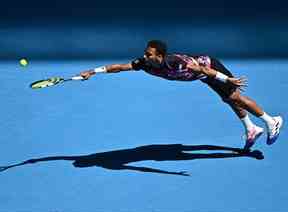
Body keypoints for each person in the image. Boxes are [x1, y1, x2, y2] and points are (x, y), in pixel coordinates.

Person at [80, 40, 283, 151]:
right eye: (145, 53)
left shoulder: (175, 61)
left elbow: (205, 70)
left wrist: (227, 80)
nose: (144, 56)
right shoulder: (143, 64)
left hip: (209, 68)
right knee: (228, 99)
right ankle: (251, 128)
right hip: (200, 77)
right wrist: (93, 71)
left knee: (235, 97)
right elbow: (119, 67)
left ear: (159, 56)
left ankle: (271, 121)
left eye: (149, 54)